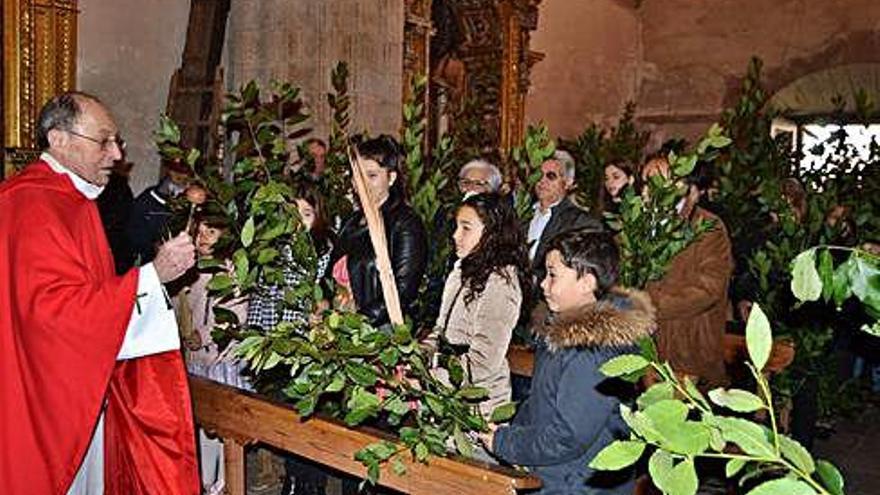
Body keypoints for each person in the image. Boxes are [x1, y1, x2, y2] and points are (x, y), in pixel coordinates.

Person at [0, 91, 199, 494]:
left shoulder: (72, 200)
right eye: (103, 141)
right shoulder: (32, 204)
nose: (116, 154)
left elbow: (89, 294)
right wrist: (153, 276)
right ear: (59, 139)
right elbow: (51, 317)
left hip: (78, 386)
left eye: (117, 142)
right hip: (47, 399)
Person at [484, 229, 655, 494]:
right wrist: (508, 431)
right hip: (559, 473)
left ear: (587, 282)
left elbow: (569, 435)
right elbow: (542, 403)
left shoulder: (593, 348)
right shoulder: (564, 332)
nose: (542, 284)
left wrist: (505, 443)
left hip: (579, 483)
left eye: (552, 275)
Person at [428, 193, 530, 421]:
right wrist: (417, 356)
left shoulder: (500, 282)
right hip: (446, 393)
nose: (455, 235)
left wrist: (431, 377)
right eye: (456, 227)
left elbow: (484, 361)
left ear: (492, 233)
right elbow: (440, 330)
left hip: (478, 407)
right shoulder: (461, 270)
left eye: (466, 228)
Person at [642, 157, 734, 388]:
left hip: (687, 347)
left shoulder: (707, 227)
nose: (648, 190)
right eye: (645, 182)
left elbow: (708, 289)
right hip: (643, 347)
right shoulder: (638, 225)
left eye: (657, 182)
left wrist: (648, 306)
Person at [338, 135, 428, 327]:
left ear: (391, 177)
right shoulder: (351, 222)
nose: (361, 183)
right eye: (357, 176)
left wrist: (357, 323)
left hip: (381, 331)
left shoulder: (405, 223)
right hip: (342, 326)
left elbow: (404, 290)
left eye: (371, 176)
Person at [526, 150, 603, 287]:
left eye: (551, 176)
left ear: (568, 182)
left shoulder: (582, 223)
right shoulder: (522, 214)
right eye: (538, 175)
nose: (542, 181)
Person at [124, 157, 192, 269]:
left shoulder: (194, 203)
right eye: (176, 171)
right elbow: (132, 238)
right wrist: (153, 246)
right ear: (169, 170)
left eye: (186, 172)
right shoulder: (147, 200)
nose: (181, 176)